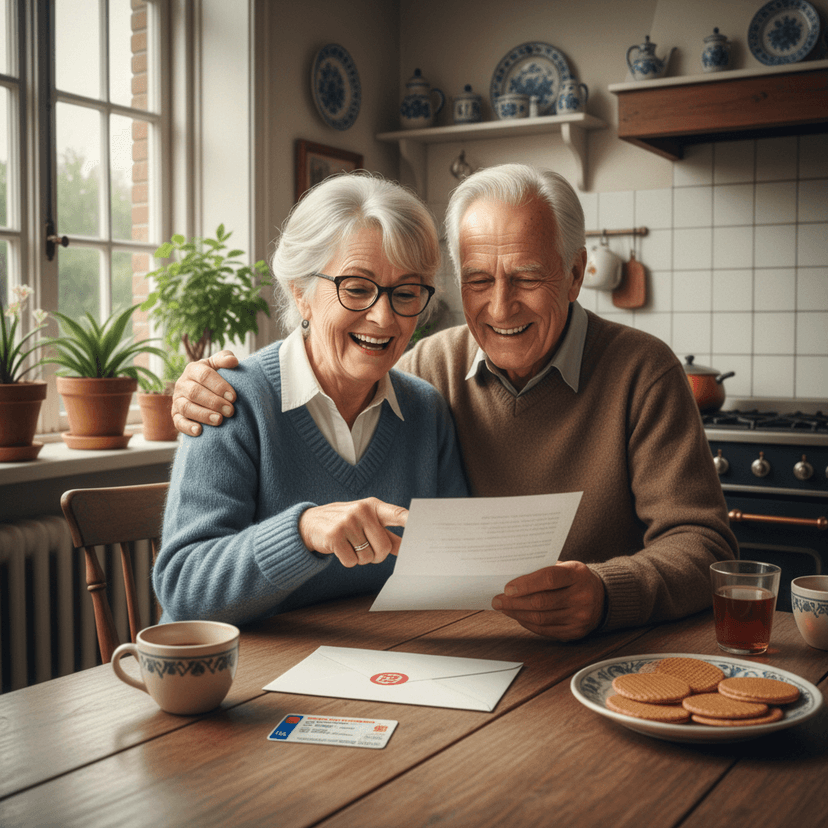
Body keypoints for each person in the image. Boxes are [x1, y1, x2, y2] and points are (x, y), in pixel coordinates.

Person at [170, 163, 737, 640]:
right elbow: (184, 585)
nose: (500, 307)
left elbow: (705, 546)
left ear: (574, 274)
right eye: (478, 280)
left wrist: (608, 593)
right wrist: (199, 387)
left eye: (527, 278)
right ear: (299, 291)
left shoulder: (638, 372)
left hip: (571, 652)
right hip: (288, 669)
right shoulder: (424, 373)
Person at [153, 172, 468, 626]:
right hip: (243, 664)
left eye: (405, 293)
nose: (384, 317)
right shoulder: (229, 399)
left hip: (376, 654)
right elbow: (184, 587)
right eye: (356, 288)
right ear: (301, 292)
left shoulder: (425, 410)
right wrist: (302, 533)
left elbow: (454, 567)